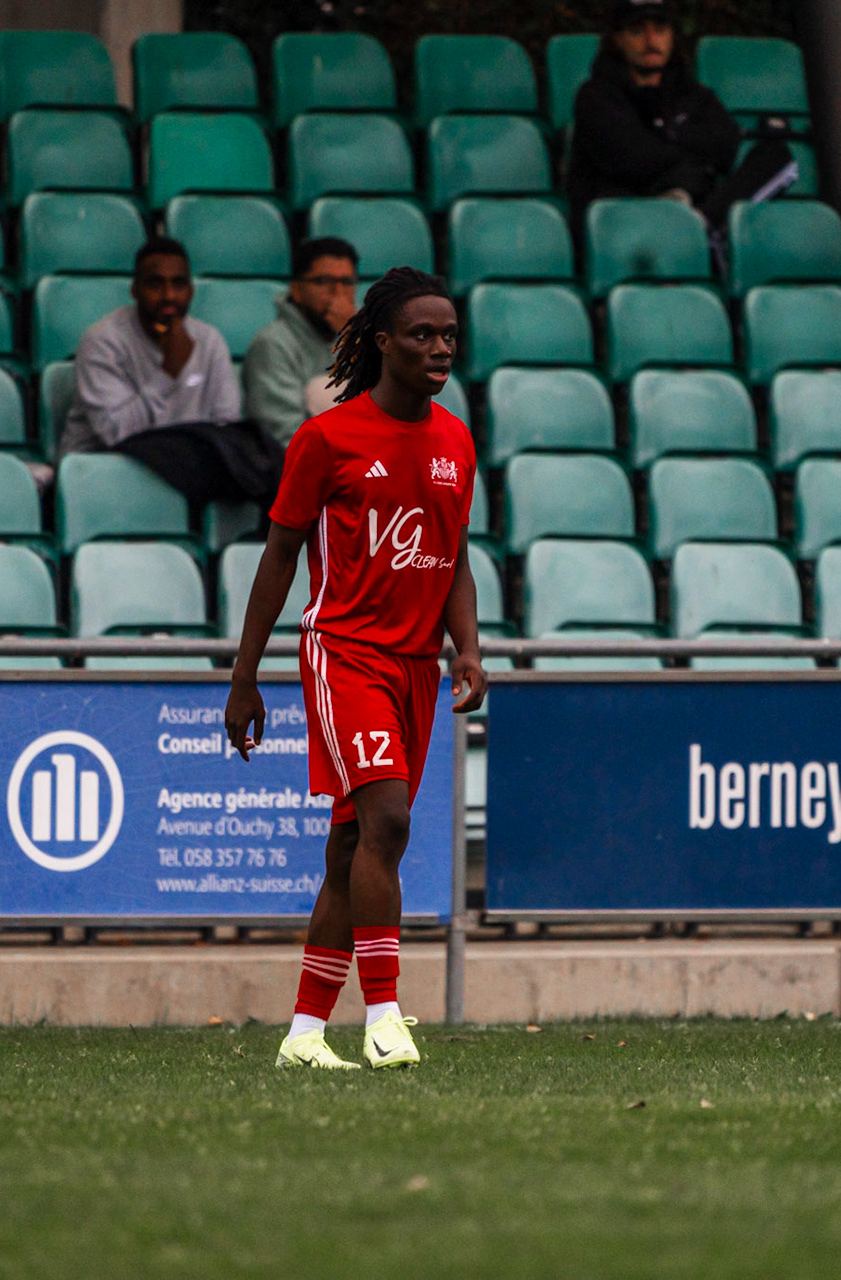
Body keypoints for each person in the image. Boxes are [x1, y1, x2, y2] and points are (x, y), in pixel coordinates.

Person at [224, 267, 486, 1071]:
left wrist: (468, 646)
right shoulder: (328, 437)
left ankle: (305, 1035)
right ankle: (384, 1016)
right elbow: (278, 555)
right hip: (344, 652)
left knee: (351, 849)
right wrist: (245, 676)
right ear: (381, 343)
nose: (439, 348)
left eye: (448, 335)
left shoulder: (455, 439)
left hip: (415, 667)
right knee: (391, 822)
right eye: (422, 334)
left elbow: (454, 555)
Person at [63, 237, 281, 506]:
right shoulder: (103, 341)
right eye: (155, 284)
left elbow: (225, 425)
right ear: (135, 290)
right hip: (107, 474)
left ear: (190, 291)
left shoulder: (209, 341)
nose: (168, 296)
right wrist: (168, 372)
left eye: (178, 284)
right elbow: (116, 434)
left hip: (188, 476)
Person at [565, 0, 796, 227]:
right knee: (686, 177)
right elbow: (634, 161)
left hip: (694, 204)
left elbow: (725, 146)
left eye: (659, 30)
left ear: (671, 36)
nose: (650, 40)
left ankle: (704, 224)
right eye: (637, 31)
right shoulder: (595, 96)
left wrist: (667, 141)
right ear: (618, 40)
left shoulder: (692, 93)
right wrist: (689, 147)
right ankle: (702, 227)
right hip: (630, 216)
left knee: (775, 156)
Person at [241, 237, 359, 447]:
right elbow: (283, 435)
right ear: (296, 290)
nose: (338, 293)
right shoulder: (273, 344)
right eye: (324, 282)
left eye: (347, 283)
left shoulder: (362, 337)